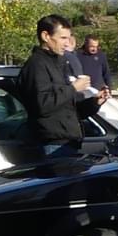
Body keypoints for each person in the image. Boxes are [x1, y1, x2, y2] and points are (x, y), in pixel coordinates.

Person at [19, 13, 95, 148]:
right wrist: (73, 88)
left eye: (69, 38)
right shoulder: (37, 65)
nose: (67, 43)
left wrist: (95, 103)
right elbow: (42, 105)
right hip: (52, 142)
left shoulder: (59, 63)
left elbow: (67, 109)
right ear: (46, 36)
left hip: (69, 140)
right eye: (63, 38)